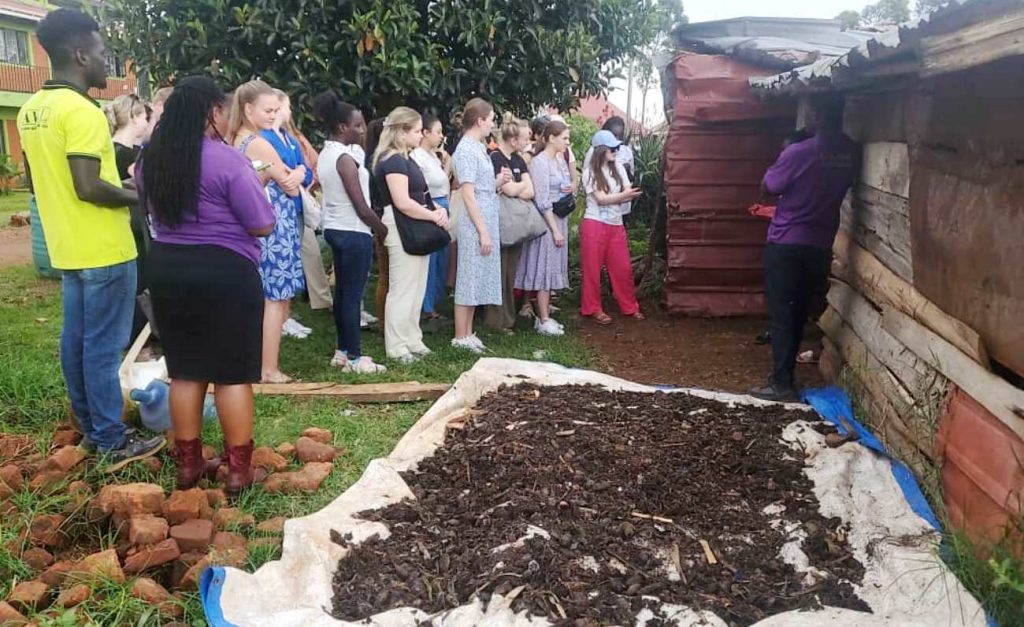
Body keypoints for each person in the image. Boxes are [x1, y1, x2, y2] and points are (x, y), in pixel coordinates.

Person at [17, 8, 164, 469]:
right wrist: (137, 198)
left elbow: (39, 181)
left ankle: (91, 425)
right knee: (103, 347)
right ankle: (110, 439)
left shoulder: (32, 109)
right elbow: (87, 185)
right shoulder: (81, 111)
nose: (107, 66)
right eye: (103, 55)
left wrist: (115, 186)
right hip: (104, 248)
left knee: (77, 341)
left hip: (67, 246)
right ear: (80, 54)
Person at [138, 76, 275, 496]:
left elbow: (149, 208)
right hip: (225, 272)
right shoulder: (228, 160)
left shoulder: (150, 160)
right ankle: (238, 472)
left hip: (168, 268)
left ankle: (188, 465)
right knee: (232, 374)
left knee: (184, 369)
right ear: (213, 113)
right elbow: (262, 223)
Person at [751, 94, 860, 402]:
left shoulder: (800, 152)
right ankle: (785, 377)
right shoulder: (851, 152)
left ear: (814, 117)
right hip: (821, 245)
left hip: (787, 243)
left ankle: (782, 382)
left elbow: (768, 187)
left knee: (782, 314)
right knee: (800, 311)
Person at [228, 79, 306, 383]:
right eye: (268, 110)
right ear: (248, 109)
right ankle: (269, 368)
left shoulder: (237, 139)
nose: (274, 115)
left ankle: (256, 362)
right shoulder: (259, 143)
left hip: (258, 222)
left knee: (263, 299)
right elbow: (288, 182)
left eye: (277, 110)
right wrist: (298, 171)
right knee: (274, 300)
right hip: (273, 226)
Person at [312, 91, 388, 374]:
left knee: (343, 294)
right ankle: (355, 357)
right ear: (342, 127)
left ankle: (342, 351)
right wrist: (382, 230)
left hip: (334, 226)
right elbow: (362, 206)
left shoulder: (328, 153)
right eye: (357, 125)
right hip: (353, 231)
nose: (361, 129)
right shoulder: (344, 159)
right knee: (353, 297)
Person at [371, 107, 450, 363]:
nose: (420, 135)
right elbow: (402, 202)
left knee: (416, 286)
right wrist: (432, 216)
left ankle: (412, 337)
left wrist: (435, 208)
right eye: (416, 131)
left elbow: (420, 195)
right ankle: (396, 345)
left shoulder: (407, 158)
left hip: (416, 222)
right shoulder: (391, 160)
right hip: (401, 225)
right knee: (402, 288)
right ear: (402, 132)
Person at [274, 89, 335, 316]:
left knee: (307, 253)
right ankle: (284, 313)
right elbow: (280, 175)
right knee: (288, 258)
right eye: (287, 106)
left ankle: (315, 301)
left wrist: (299, 174)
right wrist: (297, 174)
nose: (290, 111)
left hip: (299, 203)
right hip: (283, 208)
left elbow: (308, 171)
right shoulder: (265, 139)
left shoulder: (291, 138)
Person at [451, 98, 503, 352]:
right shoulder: (466, 150)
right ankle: (460, 336)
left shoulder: (478, 147)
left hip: (485, 215)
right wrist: (482, 231)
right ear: (480, 120)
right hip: (474, 222)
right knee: (468, 278)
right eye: (491, 119)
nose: (492, 124)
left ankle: (469, 332)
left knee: (477, 278)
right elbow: (468, 194)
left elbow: (482, 187)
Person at [580, 130, 644, 324]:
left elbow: (625, 189)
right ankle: (592, 308)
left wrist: (623, 195)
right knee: (592, 269)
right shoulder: (589, 173)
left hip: (615, 224)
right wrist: (624, 197)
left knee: (623, 268)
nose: (617, 151)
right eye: (613, 148)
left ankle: (629, 305)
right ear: (601, 150)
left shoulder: (617, 167)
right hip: (594, 223)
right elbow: (600, 199)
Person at [515, 120, 572, 336]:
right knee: (543, 268)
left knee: (552, 267)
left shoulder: (559, 160)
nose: (568, 142)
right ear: (551, 138)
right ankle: (543, 318)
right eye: (564, 138)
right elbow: (542, 199)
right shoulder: (539, 163)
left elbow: (564, 184)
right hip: (547, 222)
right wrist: (554, 229)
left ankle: (545, 314)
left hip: (560, 218)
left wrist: (568, 189)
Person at [104, 93, 154, 341]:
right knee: (139, 282)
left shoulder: (107, 150)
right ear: (134, 118)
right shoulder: (129, 156)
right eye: (145, 117)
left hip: (116, 226)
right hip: (134, 226)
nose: (147, 122)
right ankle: (137, 336)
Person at [482, 114, 534, 332]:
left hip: (516, 224)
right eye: (524, 139)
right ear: (513, 140)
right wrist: (517, 187)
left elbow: (530, 190)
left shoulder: (518, 160)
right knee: (497, 272)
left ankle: (509, 318)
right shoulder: (495, 158)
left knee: (510, 273)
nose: (527, 143)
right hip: (499, 221)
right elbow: (510, 189)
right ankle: (495, 320)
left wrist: (516, 187)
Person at [410, 113, 451, 321]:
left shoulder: (434, 156)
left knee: (441, 260)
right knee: (430, 261)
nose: (441, 136)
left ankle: (434, 303)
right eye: (438, 132)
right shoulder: (416, 157)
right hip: (431, 208)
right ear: (425, 133)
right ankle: (425, 307)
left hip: (443, 206)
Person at [582, 116, 635, 181]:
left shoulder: (627, 151)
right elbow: (586, 175)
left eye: (620, 135)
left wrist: (627, 171)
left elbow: (632, 179)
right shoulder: (594, 150)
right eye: (614, 135)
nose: (617, 139)